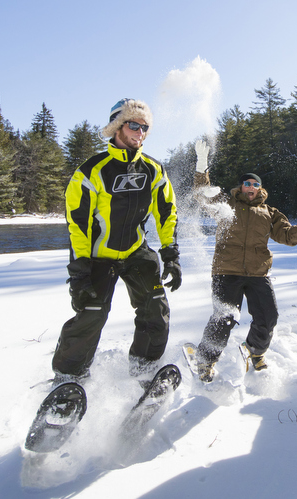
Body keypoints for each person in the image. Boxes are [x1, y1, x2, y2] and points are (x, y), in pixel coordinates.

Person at [52, 98, 182, 384]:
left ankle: (143, 371)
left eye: (145, 127)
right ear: (116, 127)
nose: (139, 132)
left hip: (137, 252)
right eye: (133, 124)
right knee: (91, 315)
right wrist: (79, 270)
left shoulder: (153, 170)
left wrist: (170, 253)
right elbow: (78, 223)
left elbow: (166, 212)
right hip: (99, 256)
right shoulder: (92, 171)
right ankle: (67, 381)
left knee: (155, 309)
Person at [192, 140, 297, 382]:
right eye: (246, 183)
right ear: (240, 187)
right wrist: (202, 166)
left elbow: (286, 236)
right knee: (224, 318)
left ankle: (255, 351)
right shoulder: (227, 204)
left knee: (268, 317)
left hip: (258, 274)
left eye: (255, 184)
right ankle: (205, 359)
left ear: (260, 188)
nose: (250, 187)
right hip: (226, 271)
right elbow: (202, 195)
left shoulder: (269, 212)